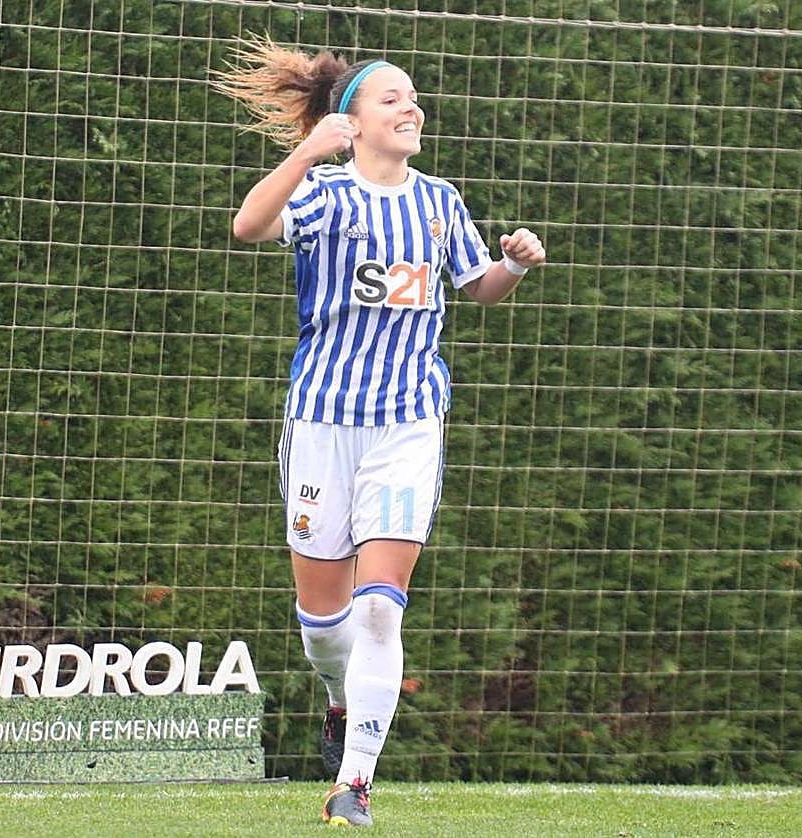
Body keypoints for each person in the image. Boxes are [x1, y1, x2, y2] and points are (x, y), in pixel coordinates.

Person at [216, 37, 545, 827]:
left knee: (378, 611)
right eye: (392, 97)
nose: (412, 106)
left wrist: (517, 265)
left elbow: (479, 288)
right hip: (323, 423)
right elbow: (247, 226)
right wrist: (305, 152)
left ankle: (354, 783)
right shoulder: (325, 194)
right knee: (323, 632)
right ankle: (337, 700)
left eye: (413, 96)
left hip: (407, 424)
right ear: (353, 122)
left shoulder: (440, 201)